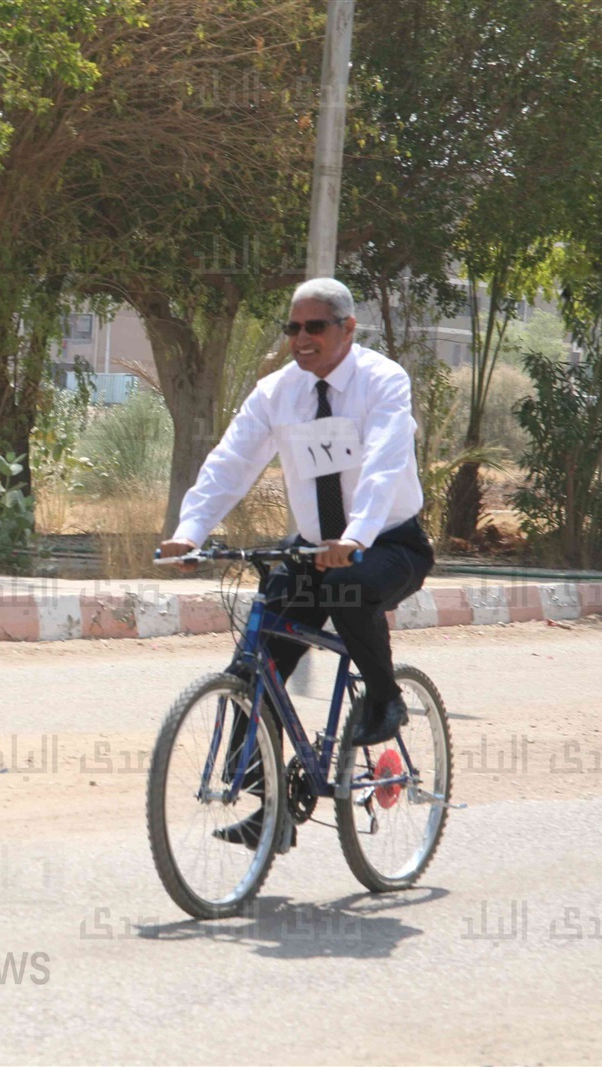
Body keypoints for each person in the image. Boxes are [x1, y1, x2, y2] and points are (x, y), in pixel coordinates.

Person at [157, 277, 435, 850]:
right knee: (252, 669)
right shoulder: (277, 393)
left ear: (347, 329)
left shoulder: (382, 380)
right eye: (293, 328)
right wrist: (190, 533)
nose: (301, 339)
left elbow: (384, 462)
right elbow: (230, 461)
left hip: (388, 543)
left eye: (315, 327)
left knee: (350, 590)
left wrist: (356, 536)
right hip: (312, 550)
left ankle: (384, 699)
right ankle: (270, 809)